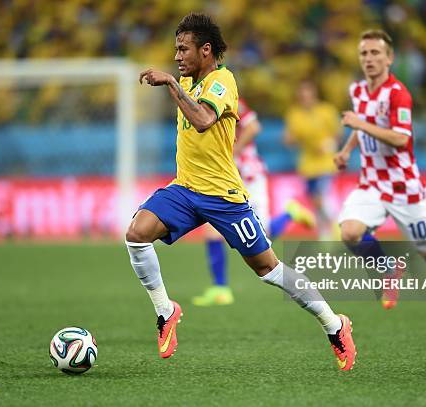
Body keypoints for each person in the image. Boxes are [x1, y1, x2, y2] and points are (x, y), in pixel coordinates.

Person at [128, 12, 356, 370]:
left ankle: (334, 324)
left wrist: (171, 84)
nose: (177, 57)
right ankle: (165, 310)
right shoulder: (188, 82)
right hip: (185, 188)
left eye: (183, 49)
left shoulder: (223, 81)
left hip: (224, 196)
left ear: (205, 50)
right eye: (175, 50)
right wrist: (177, 84)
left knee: (268, 269)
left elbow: (204, 121)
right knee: (136, 234)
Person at [334, 29, 426, 336]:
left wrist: (359, 123)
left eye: (375, 53)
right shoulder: (357, 90)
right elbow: (361, 127)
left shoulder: (398, 94)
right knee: (350, 232)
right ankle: (388, 270)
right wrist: (345, 150)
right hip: (370, 183)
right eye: (364, 53)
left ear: (389, 58)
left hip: (404, 187)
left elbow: (400, 138)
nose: (369, 59)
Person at [192, 97, 315, 306]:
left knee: (262, 235)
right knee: (212, 230)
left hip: (249, 176)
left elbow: (254, 126)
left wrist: (233, 153)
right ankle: (220, 289)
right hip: (225, 178)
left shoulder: (227, 98)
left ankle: (290, 214)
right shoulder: (199, 102)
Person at [284, 79, 341, 239]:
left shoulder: (327, 111)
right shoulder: (294, 114)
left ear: (314, 94)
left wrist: (328, 145)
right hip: (307, 164)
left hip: (326, 162)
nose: (304, 97)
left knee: (320, 197)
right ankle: (325, 236)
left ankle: (339, 226)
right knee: (315, 202)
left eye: (307, 93)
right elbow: (290, 137)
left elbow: (338, 135)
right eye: (301, 94)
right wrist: (289, 139)